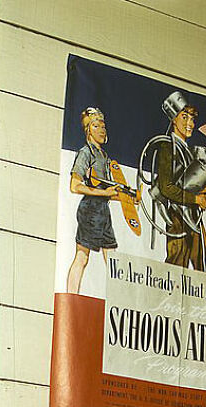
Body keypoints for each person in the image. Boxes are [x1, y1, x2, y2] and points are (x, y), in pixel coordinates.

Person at [156, 91, 206, 272]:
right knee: (176, 265)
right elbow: (165, 187)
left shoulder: (189, 150)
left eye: (192, 119)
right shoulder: (167, 146)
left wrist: (204, 189)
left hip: (193, 215)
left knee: (204, 267)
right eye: (185, 117)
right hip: (177, 216)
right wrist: (195, 199)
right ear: (174, 119)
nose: (190, 124)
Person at [66, 107, 119, 294]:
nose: (102, 130)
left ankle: (117, 300)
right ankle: (71, 298)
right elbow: (75, 186)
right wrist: (105, 194)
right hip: (90, 210)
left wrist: (127, 198)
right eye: (96, 126)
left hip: (103, 212)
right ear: (89, 129)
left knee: (112, 260)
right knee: (82, 257)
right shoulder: (85, 153)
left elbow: (108, 189)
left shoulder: (104, 156)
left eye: (103, 126)